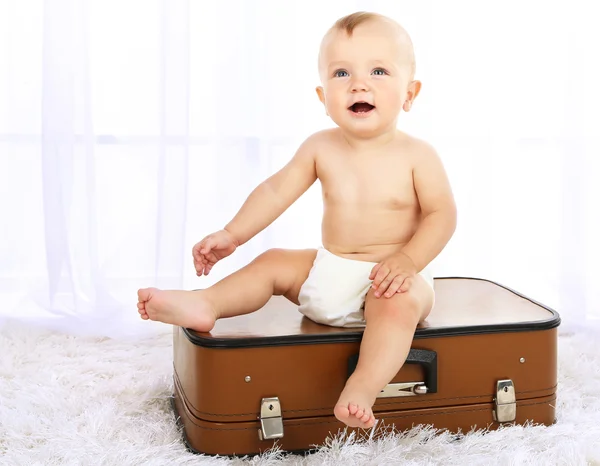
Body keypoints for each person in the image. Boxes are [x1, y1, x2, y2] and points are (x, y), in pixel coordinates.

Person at [137, 11, 457, 430]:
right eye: (342, 73)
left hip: (392, 279)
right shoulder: (320, 147)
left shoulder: (417, 155)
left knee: (394, 306)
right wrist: (233, 234)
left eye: (379, 70)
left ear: (409, 93)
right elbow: (275, 191)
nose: (359, 83)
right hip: (331, 272)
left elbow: (442, 215)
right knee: (273, 261)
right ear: (324, 98)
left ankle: (363, 384)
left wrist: (409, 261)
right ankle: (206, 303)